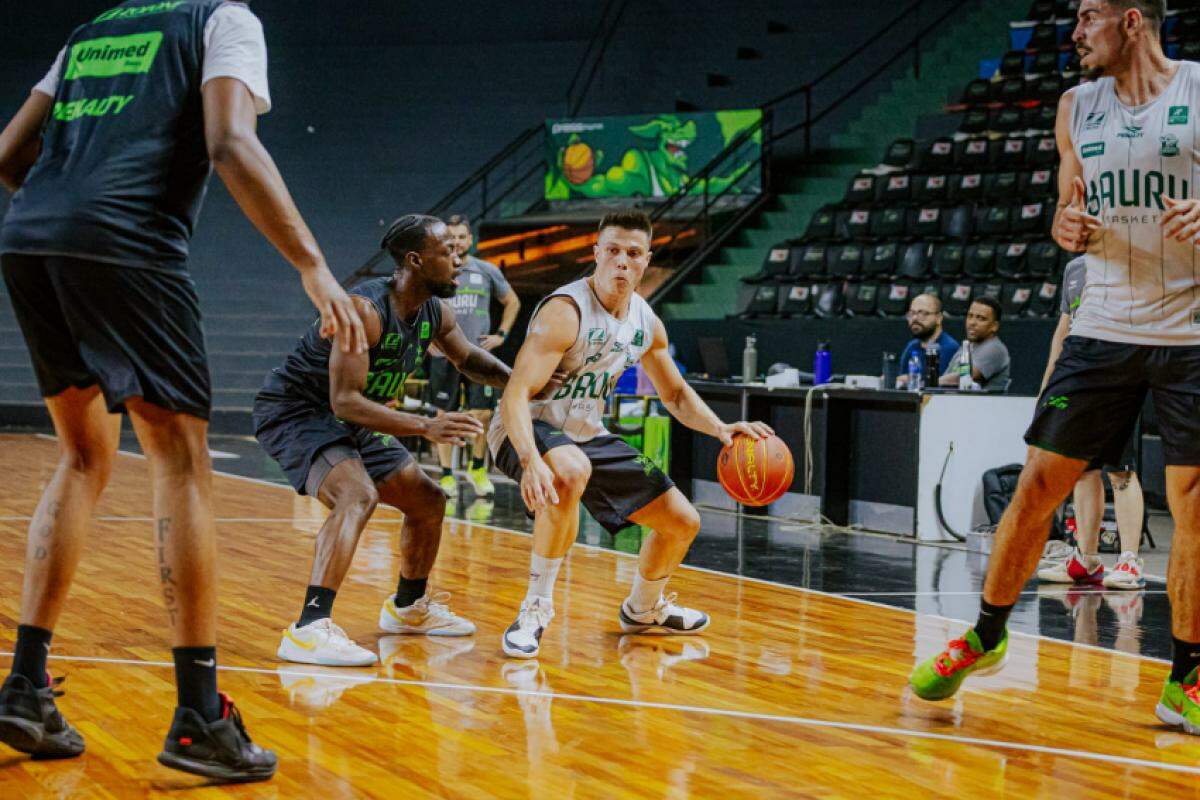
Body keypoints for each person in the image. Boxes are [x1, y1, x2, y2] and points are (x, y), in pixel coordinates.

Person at [0, 0, 366, 781]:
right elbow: (230, 143)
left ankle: (25, 686)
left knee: (83, 456)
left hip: (30, 237)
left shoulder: (91, 33)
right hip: (127, 243)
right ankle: (200, 715)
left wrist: (70, 204)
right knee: (179, 459)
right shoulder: (221, 19)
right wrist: (311, 263)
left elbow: (8, 154)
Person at [910, 2, 1200, 735]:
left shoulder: (1198, 92)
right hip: (1102, 325)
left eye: (1087, 17)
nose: (1073, 33)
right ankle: (985, 634)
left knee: (1193, 500)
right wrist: (1062, 224)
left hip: (1191, 329)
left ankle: (1187, 682)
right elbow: (1065, 207)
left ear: (1132, 20)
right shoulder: (1075, 106)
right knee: (1038, 484)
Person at [488, 210, 773, 659]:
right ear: (596, 253)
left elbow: (675, 393)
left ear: (647, 262)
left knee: (682, 521)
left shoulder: (645, 322)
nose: (622, 261)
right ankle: (535, 609)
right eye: (614, 251)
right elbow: (515, 395)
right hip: (523, 427)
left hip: (584, 432)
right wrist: (529, 460)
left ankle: (643, 609)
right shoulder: (565, 313)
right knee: (568, 470)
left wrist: (720, 428)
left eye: (633, 254)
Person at [254, 215, 515, 666]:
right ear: (415, 260)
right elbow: (344, 403)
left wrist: (526, 384)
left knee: (429, 500)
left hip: (352, 416)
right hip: (298, 411)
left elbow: (469, 358)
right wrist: (425, 427)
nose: (458, 262)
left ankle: (408, 608)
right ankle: (309, 629)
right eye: (447, 253)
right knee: (357, 494)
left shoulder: (435, 311)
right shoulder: (366, 310)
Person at [1036, 257, 1146, 589]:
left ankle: (1129, 560)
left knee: (1120, 470)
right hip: (1077, 378)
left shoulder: (1130, 259)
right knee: (1081, 470)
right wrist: (1048, 385)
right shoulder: (1074, 269)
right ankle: (1087, 558)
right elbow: (1063, 330)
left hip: (1119, 374)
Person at [427, 214, 521, 500]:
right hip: (445, 355)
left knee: (482, 414)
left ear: (470, 240)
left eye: (461, 236)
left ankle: (477, 469)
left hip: (477, 356)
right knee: (445, 415)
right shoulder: (436, 270)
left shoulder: (486, 270)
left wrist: (501, 335)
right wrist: (427, 338)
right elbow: (421, 304)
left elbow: (512, 301)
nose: (456, 241)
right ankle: (446, 475)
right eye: (451, 236)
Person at [937, 297, 1010, 391]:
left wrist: (931, 384)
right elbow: (946, 376)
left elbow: (964, 377)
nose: (972, 322)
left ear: (994, 326)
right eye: (970, 316)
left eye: (981, 318)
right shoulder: (967, 346)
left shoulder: (995, 348)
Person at [896, 293, 958, 388]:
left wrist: (908, 379)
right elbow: (899, 380)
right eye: (911, 313)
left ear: (939, 318)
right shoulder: (912, 346)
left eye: (923, 313)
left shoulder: (949, 347)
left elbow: (936, 385)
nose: (915, 318)